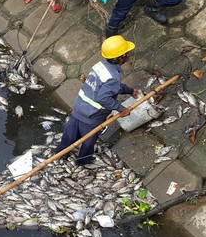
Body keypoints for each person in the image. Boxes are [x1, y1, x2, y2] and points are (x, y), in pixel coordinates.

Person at [55, 35, 142, 166]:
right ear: (121, 57)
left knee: (70, 135)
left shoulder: (100, 65)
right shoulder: (113, 76)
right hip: (92, 116)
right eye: (127, 52)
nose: (129, 54)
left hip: (79, 108)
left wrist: (130, 91)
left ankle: (60, 155)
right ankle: (83, 162)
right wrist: (121, 109)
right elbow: (104, 97)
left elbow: (111, 88)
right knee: (88, 141)